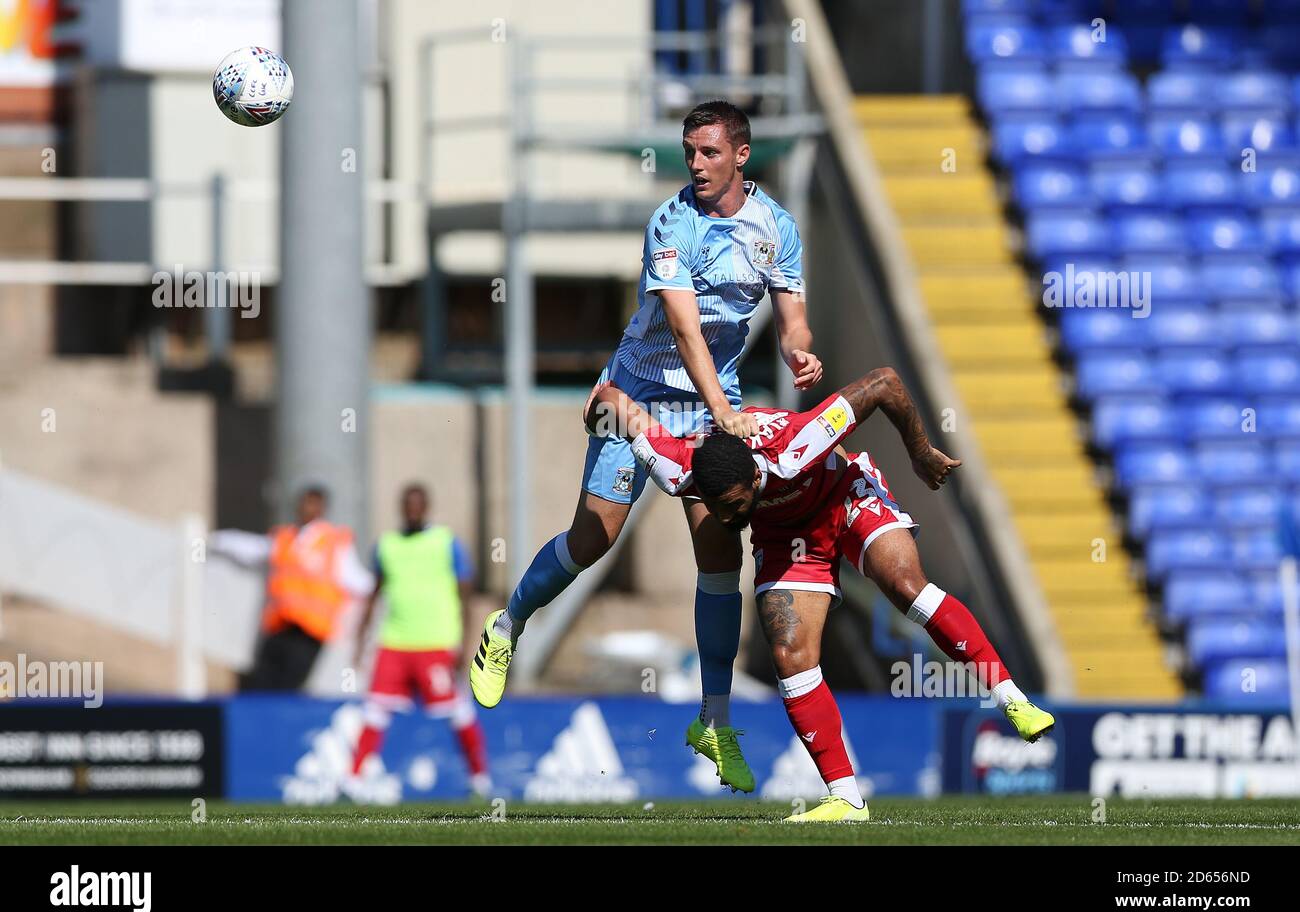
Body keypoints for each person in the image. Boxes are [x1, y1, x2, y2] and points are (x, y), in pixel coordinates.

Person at [469, 100, 823, 795]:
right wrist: (726, 413)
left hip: (710, 405)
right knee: (594, 535)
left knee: (721, 546)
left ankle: (713, 721)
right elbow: (687, 332)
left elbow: (793, 320)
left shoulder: (776, 228)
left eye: (709, 152)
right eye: (689, 150)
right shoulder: (672, 222)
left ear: (741, 156)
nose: (695, 163)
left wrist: (801, 354)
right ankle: (506, 624)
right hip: (634, 390)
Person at [583, 368, 1056, 822]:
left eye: (733, 506)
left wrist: (920, 450)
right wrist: (598, 405)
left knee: (905, 587)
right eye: (716, 507)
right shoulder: (677, 468)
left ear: (752, 478)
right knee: (790, 654)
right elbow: (621, 406)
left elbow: (885, 383)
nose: (727, 519)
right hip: (788, 539)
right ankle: (847, 799)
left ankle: (1012, 699)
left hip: (846, 498)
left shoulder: (796, 444)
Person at [350, 483, 490, 797]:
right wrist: (360, 641)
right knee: (374, 710)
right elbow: (374, 595)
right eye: (407, 505)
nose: (412, 510)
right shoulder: (386, 545)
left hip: (436, 644)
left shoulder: (446, 542)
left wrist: (465, 645)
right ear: (402, 508)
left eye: (418, 505)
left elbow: (465, 598)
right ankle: (353, 780)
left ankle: (479, 779)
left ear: (426, 507)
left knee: (458, 712)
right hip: (394, 643)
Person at [211, 486, 373, 692]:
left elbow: (356, 579)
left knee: (288, 686)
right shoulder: (285, 538)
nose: (307, 508)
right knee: (261, 682)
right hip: (281, 624)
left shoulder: (333, 542)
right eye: (304, 502)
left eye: (313, 503)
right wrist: (218, 540)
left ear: (322, 508)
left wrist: (382, 588)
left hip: (310, 631)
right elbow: (253, 548)